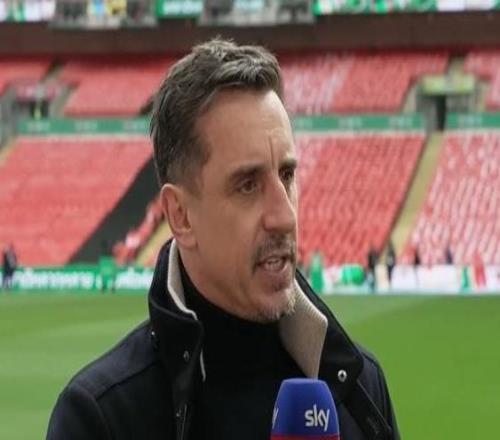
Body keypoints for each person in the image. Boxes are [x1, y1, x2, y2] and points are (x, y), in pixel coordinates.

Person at [47, 39, 400, 440]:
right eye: (248, 185)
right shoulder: (102, 418)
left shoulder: (360, 390)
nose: (284, 216)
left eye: (287, 175)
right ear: (180, 216)